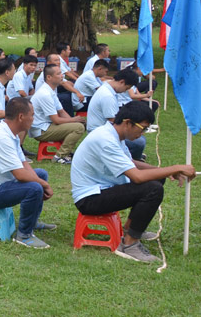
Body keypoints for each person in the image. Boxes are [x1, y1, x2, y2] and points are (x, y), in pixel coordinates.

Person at [71, 102, 196, 263]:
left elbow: (130, 163)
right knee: (153, 189)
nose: (142, 133)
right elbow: (137, 176)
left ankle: (130, 230)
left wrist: (165, 171)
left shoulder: (115, 135)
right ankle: (129, 245)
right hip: (89, 199)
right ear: (127, 123)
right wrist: (175, 168)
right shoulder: (105, 139)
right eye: (142, 128)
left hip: (102, 190)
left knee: (157, 177)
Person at [0, 97, 56, 249]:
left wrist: (40, 181)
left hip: (0, 185)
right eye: (32, 115)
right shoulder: (1, 137)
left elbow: (23, 164)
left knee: (40, 174)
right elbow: (20, 175)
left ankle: (32, 221)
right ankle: (24, 235)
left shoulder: (11, 133)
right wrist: (44, 185)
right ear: (21, 117)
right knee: (34, 187)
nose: (34, 118)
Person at [29, 64, 86, 164]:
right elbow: (56, 120)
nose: (62, 76)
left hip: (48, 126)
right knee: (78, 127)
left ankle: (67, 153)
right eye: (59, 74)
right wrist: (73, 120)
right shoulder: (45, 94)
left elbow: (61, 111)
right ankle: (60, 156)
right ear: (49, 77)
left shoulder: (51, 90)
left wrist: (73, 122)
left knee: (79, 124)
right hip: (41, 130)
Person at [86, 69, 144, 160]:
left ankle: (129, 159)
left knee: (138, 138)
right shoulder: (107, 96)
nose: (124, 91)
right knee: (139, 142)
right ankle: (130, 161)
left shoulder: (107, 88)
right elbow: (114, 123)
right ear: (122, 82)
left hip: (101, 130)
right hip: (99, 133)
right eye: (126, 88)